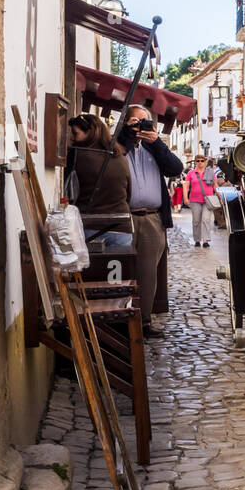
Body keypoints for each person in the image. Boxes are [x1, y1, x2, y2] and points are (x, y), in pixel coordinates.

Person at [122, 103, 183, 338]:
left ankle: (144, 322)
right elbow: (112, 155)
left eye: (145, 122)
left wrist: (156, 141)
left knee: (148, 274)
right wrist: (128, 135)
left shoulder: (154, 150)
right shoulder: (120, 147)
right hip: (124, 217)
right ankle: (122, 318)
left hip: (151, 218)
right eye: (136, 122)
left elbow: (175, 168)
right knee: (121, 271)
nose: (141, 127)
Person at [66, 113, 132, 249]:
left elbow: (67, 191)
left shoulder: (77, 154)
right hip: (121, 227)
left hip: (90, 227)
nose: (72, 138)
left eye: (75, 133)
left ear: (90, 132)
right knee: (119, 269)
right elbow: (129, 193)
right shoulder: (121, 157)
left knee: (90, 270)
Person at [186, 158, 217, 248]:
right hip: (195, 200)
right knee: (196, 221)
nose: (200, 162)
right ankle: (197, 240)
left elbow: (215, 185)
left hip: (208, 199)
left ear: (205, 162)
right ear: (195, 162)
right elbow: (186, 186)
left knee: (206, 220)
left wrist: (219, 195)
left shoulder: (211, 172)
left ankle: (205, 240)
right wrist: (185, 197)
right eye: (198, 161)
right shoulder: (191, 173)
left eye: (202, 161)